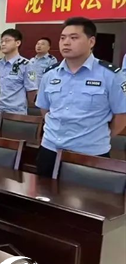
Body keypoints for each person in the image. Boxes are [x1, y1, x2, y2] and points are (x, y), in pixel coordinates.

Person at [35, 17, 126, 177]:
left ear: (91, 42)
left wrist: (96, 136)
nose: (66, 42)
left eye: (74, 37)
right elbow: (45, 109)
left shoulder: (111, 75)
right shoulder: (50, 74)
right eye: (63, 38)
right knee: (42, 192)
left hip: (90, 154)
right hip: (50, 150)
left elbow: (121, 116)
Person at [0, 29, 37, 114]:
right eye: (1, 41)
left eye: (7, 41)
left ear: (17, 43)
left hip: (15, 113)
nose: (3, 44)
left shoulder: (27, 65)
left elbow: (31, 91)